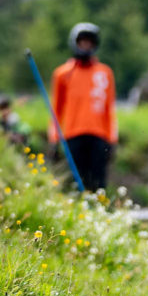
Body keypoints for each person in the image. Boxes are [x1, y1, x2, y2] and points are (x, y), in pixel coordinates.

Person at [50, 22, 117, 192]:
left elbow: (110, 108)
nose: (86, 46)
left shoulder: (104, 72)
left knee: (98, 182)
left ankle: (99, 212)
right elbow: (56, 109)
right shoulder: (63, 73)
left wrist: (112, 139)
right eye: (82, 42)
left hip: (99, 135)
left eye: (89, 42)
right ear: (76, 43)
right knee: (75, 181)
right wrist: (54, 137)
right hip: (73, 134)